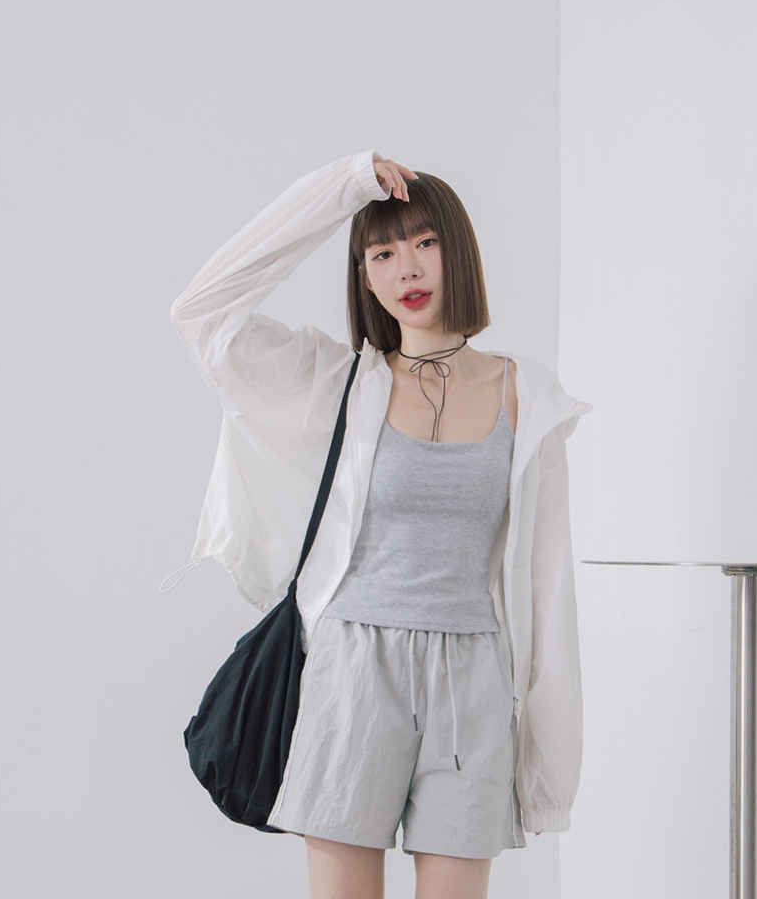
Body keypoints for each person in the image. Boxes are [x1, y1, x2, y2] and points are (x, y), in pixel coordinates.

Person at [170, 150, 591, 899]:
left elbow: (547, 583)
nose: (408, 268)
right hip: (355, 670)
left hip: (474, 678)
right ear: (363, 276)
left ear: (458, 251)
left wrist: (549, 768)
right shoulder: (340, 381)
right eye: (382, 253)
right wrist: (344, 187)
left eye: (425, 242)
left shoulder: (527, 393)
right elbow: (201, 311)